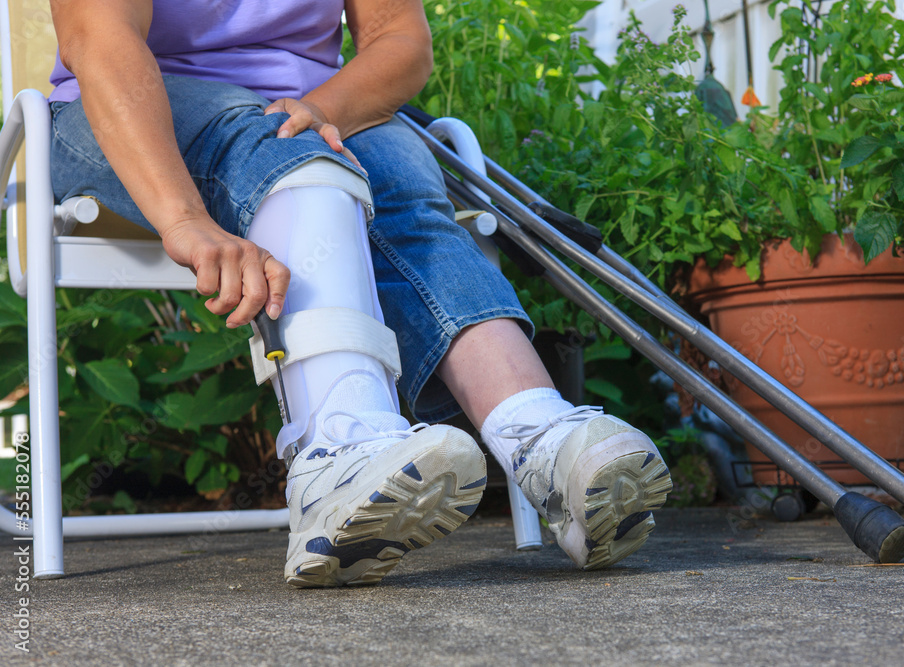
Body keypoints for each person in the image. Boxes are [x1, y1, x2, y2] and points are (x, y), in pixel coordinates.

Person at [48, 0, 672, 587]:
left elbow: (400, 38)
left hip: (308, 106)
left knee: (404, 193)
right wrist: (184, 219)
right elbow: (99, 38)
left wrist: (319, 109)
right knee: (295, 161)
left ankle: (537, 437)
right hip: (127, 109)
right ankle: (336, 451)